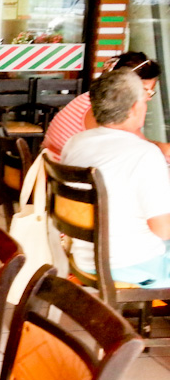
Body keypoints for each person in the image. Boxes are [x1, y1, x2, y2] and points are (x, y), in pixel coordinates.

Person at [61, 69, 170, 287]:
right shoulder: (145, 154)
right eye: (145, 99)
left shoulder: (75, 143)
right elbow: (163, 229)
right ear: (134, 108)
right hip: (135, 267)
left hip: (85, 260)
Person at [43, 51, 167, 161]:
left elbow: (136, 140)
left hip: (63, 168)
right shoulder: (105, 108)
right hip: (67, 172)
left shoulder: (99, 97)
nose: (148, 98)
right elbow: (122, 148)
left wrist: (159, 147)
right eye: (145, 90)